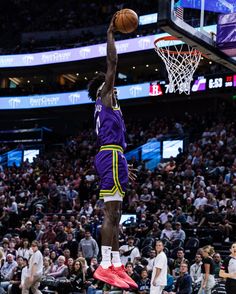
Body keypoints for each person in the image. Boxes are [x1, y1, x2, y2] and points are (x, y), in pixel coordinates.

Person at [88, 14, 136, 290]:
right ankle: (105, 265)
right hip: (110, 155)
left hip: (113, 156)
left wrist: (123, 164)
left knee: (115, 213)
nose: (114, 88)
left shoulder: (106, 106)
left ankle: (116, 263)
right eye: (110, 85)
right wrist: (110, 34)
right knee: (111, 213)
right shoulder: (105, 96)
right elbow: (113, 63)